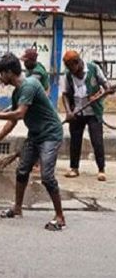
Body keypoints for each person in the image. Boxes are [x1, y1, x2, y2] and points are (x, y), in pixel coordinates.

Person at [0, 53, 66, 231]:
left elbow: (19, 114)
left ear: (10, 72)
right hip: (35, 135)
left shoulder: (29, 85)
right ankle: (17, 208)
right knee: (22, 171)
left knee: (47, 177)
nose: (0, 77)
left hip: (50, 134)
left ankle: (60, 217)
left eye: (2, 73)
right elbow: (12, 121)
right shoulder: (17, 92)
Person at [60, 50, 111, 181]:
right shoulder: (68, 75)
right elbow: (65, 95)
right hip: (76, 112)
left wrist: (101, 95)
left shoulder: (94, 69)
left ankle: (101, 170)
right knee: (75, 141)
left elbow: (107, 87)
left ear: (77, 62)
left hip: (94, 112)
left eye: (71, 66)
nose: (70, 70)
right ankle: (74, 168)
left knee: (97, 141)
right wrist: (68, 112)